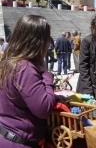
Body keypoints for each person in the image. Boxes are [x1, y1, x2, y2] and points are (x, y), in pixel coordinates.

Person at [0, 15, 56, 147]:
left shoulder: (9, 62)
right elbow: (44, 108)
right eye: (47, 38)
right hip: (20, 141)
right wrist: (46, 74)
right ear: (38, 41)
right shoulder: (24, 67)